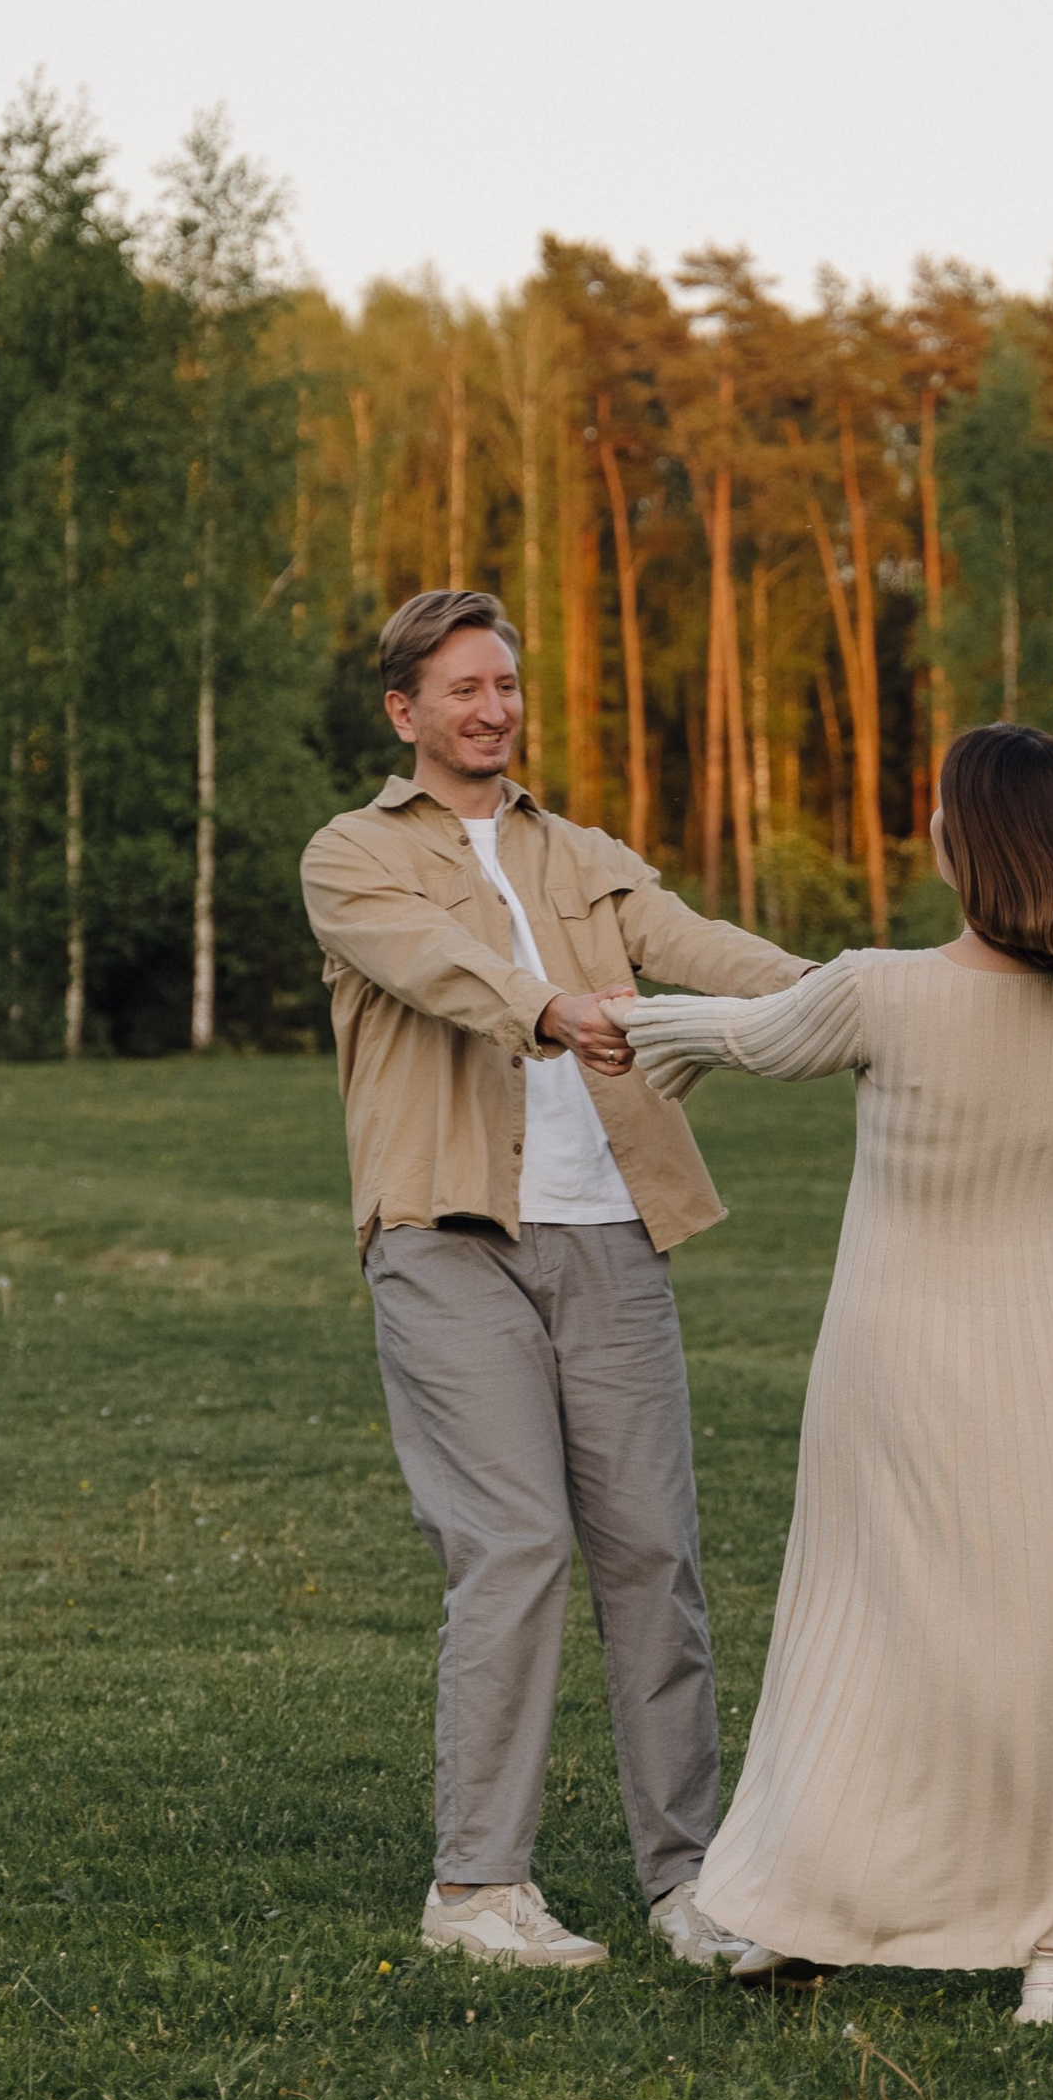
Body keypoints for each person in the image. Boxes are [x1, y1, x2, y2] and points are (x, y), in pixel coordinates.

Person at [619, 720, 1053, 2023]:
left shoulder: (883, 987)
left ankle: (798, 1911)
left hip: (909, 1348)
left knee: (866, 1624)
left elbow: (752, 1038)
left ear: (966, 841)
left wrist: (631, 1020)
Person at [300, 589, 811, 1973]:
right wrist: (551, 1010)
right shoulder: (351, 857)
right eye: (463, 688)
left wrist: (847, 998)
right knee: (516, 1543)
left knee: (656, 1550)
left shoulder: (579, 851)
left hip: (611, 1237)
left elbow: (698, 946)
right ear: (406, 711)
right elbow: (435, 964)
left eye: (506, 684)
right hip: (448, 1233)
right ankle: (476, 1890)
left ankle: (692, 1884)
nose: (493, 707)